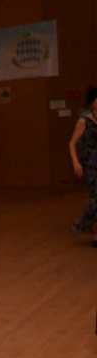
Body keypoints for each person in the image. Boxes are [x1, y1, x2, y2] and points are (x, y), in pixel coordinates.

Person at [69, 86, 97, 248]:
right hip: (91, 163)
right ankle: (92, 231)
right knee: (96, 196)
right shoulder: (83, 121)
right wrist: (75, 163)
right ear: (92, 102)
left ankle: (87, 226)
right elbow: (72, 143)